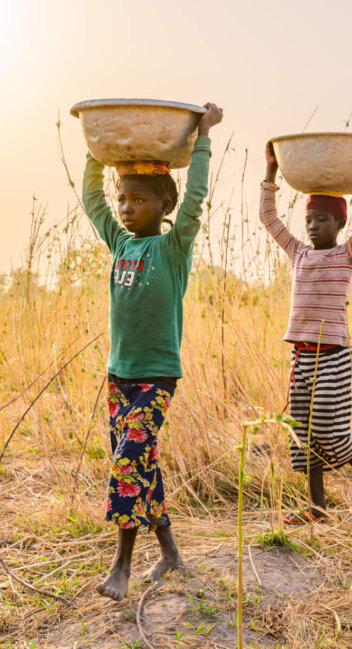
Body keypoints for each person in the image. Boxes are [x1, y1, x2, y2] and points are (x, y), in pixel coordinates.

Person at [82, 103, 223, 601]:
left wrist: (203, 137)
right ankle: (170, 552)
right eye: (124, 199)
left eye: (139, 200)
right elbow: (92, 202)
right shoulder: (119, 242)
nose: (126, 208)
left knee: (126, 463)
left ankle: (120, 564)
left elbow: (198, 198)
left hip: (157, 377)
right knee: (143, 463)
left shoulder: (173, 247)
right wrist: (96, 151)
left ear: (165, 207)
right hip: (118, 376)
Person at [260, 131, 352, 524]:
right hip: (301, 355)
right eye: (309, 220)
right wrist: (270, 169)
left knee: (330, 429)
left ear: (340, 222)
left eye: (322, 219)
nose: (313, 226)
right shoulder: (298, 252)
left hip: (333, 356)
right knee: (302, 433)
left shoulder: (346, 254)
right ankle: (316, 506)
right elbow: (268, 218)